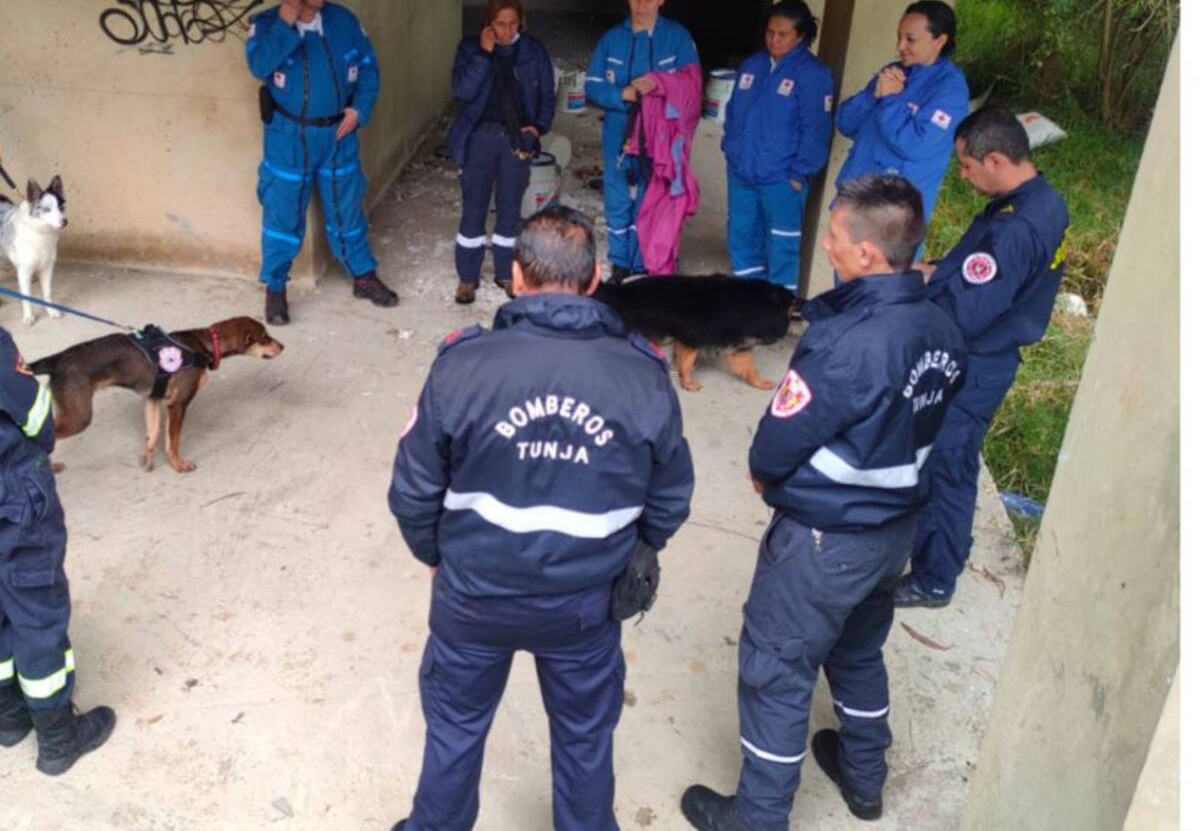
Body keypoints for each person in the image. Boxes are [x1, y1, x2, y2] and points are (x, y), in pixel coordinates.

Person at [388, 205, 695, 831]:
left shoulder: (462, 364)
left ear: (516, 278)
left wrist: (437, 558)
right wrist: (636, 552)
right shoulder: (642, 375)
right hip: (583, 605)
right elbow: (671, 497)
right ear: (595, 278)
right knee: (585, 737)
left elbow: (413, 490)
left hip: (474, 595)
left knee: (454, 728)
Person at [680, 175, 968, 830]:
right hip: (894, 533)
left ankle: (757, 816)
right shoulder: (942, 328)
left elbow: (774, 448)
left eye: (836, 237)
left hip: (823, 543)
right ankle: (865, 779)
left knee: (776, 671)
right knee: (857, 651)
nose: (829, 248)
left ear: (867, 253)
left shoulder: (845, 342)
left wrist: (770, 480)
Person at [896, 107, 1069, 608]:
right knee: (944, 462)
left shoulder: (1017, 228)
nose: (963, 175)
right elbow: (978, 272)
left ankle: (933, 577)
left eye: (968, 166)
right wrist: (938, 271)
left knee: (947, 468)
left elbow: (967, 312)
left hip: (975, 362)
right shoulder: (1035, 200)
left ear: (995, 159)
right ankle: (935, 550)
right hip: (986, 351)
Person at [245, 0, 398, 326]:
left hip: (338, 134)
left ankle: (362, 275)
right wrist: (285, 25)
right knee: (282, 213)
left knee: (346, 208)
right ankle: (276, 287)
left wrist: (359, 109)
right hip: (288, 136)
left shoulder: (343, 20)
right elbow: (259, 65)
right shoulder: (265, 25)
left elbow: (368, 70)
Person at [0, 328, 115, 775]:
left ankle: (9, 718)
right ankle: (58, 739)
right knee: (36, 611)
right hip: (11, 496)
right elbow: (35, 414)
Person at [585, 0, 700, 282]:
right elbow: (592, 85)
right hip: (619, 130)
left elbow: (692, 90)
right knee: (617, 194)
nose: (641, 6)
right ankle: (621, 262)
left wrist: (662, 84)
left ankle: (645, 262)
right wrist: (622, 94)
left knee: (653, 194)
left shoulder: (677, 38)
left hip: (659, 135)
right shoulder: (612, 39)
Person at [446, 0, 555, 304]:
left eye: (512, 23)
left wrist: (538, 128)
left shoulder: (533, 51)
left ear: (521, 21)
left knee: (509, 210)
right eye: (500, 24)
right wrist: (483, 53)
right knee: (474, 209)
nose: (507, 30)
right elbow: (463, 92)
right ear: (488, 24)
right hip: (479, 136)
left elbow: (547, 95)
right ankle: (467, 279)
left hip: (515, 139)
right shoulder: (470, 48)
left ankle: (506, 273)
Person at [722, 0, 835, 292]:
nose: (774, 39)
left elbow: (817, 131)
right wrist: (731, 150)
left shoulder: (813, 74)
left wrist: (799, 173)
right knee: (742, 236)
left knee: (781, 243)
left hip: (782, 179)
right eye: (770, 32)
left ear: (800, 36)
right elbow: (733, 112)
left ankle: (779, 310)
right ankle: (748, 302)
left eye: (783, 34)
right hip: (742, 171)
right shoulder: (752, 65)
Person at [835, 0, 969, 226]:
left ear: (940, 40)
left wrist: (891, 100)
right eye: (899, 37)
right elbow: (845, 123)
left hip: (892, 217)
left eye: (911, 39)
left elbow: (915, 145)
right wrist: (872, 96)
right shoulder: (894, 72)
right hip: (855, 200)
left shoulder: (950, 89)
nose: (900, 47)